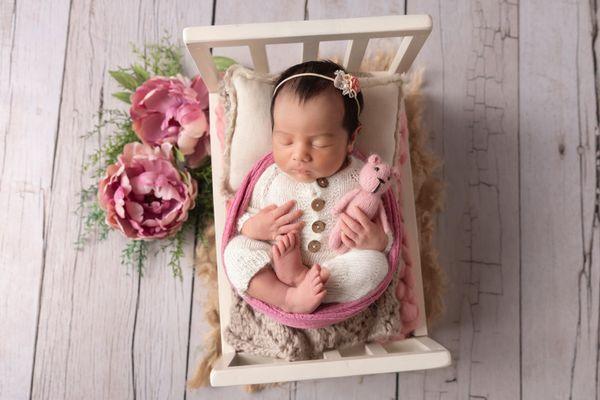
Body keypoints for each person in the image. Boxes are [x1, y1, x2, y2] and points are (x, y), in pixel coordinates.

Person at [223, 60, 393, 314]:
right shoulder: (270, 178)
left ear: (351, 139)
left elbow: (386, 226)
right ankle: (286, 296)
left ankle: (309, 288)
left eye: (320, 143)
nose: (300, 154)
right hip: (275, 260)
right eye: (285, 140)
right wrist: (253, 226)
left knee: (376, 265)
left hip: (337, 267)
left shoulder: (361, 176)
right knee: (235, 252)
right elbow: (240, 217)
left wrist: (377, 241)